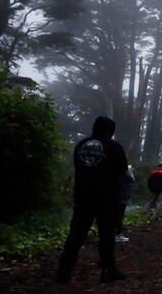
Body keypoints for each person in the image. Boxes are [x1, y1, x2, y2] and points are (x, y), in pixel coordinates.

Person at [56, 116, 127, 284]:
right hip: (106, 198)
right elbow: (123, 171)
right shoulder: (114, 147)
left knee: (76, 234)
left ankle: (63, 272)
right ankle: (108, 270)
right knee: (107, 233)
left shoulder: (81, 145)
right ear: (111, 131)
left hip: (82, 196)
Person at [115, 164, 135, 242]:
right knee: (120, 215)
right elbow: (132, 179)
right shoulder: (125, 171)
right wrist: (130, 171)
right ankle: (118, 235)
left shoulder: (111, 168)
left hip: (112, 196)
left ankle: (110, 234)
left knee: (113, 215)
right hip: (122, 195)